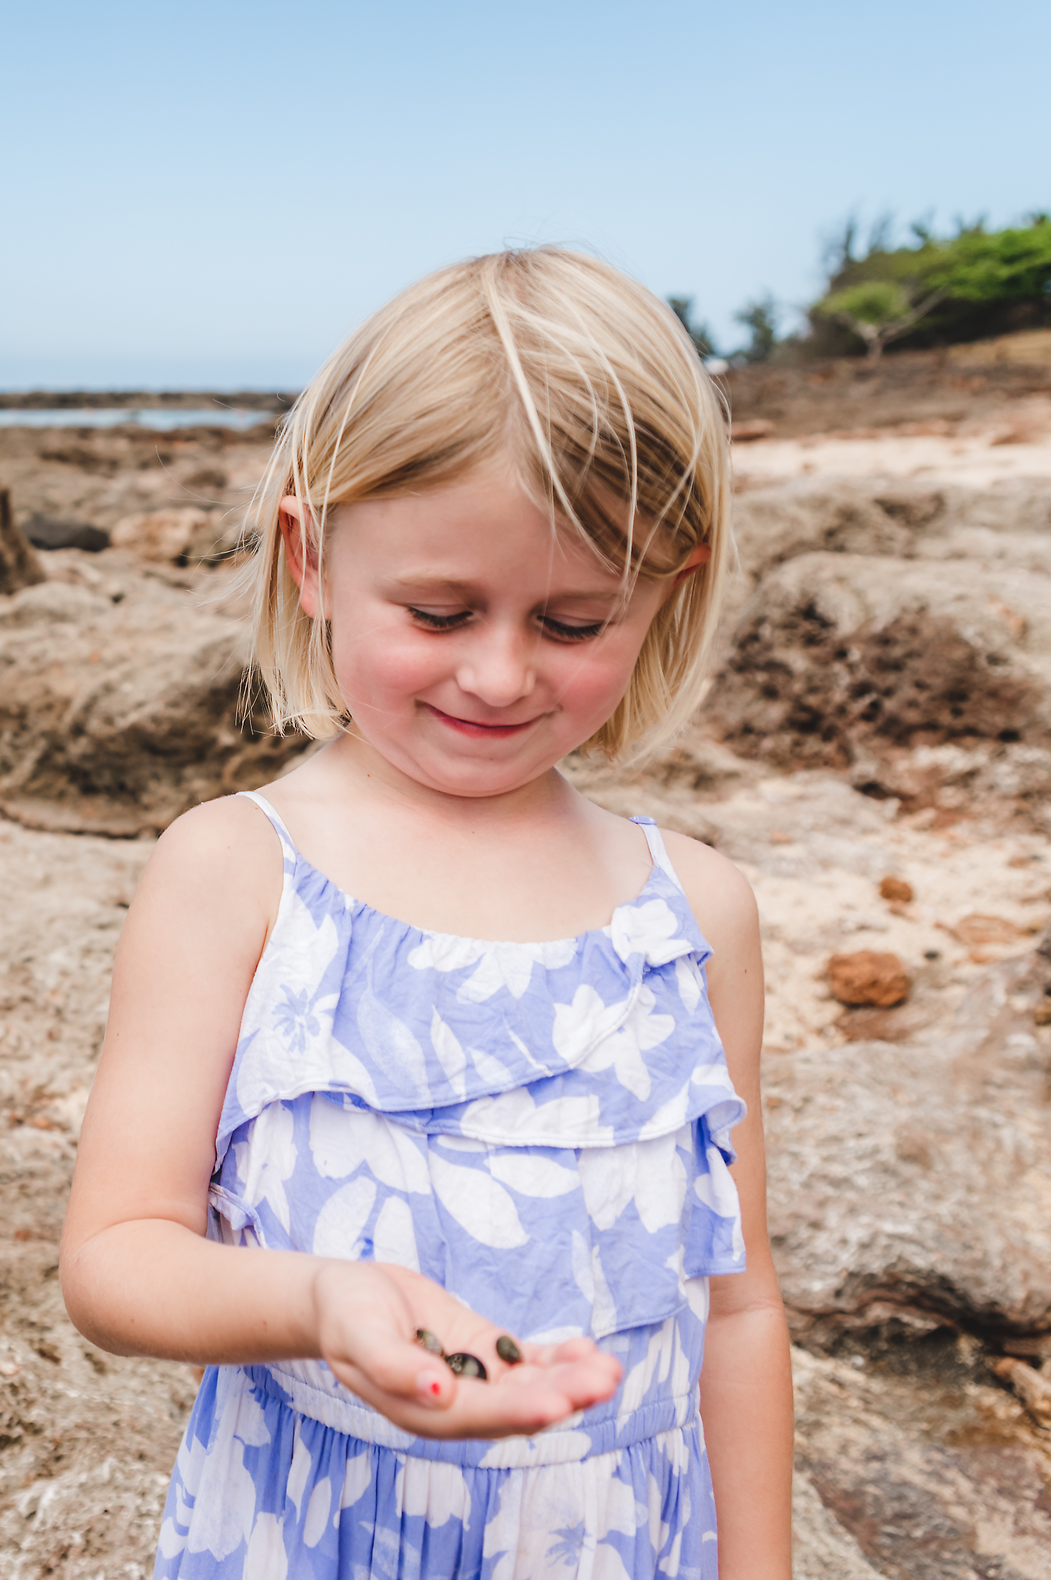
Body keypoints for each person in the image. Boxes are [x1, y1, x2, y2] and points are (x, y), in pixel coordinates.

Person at [60, 248, 791, 1580]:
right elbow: (116, 1254)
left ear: (668, 590)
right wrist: (318, 1302)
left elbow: (735, 1307)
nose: (501, 671)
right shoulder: (236, 871)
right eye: (440, 609)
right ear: (311, 557)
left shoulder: (696, 914)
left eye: (574, 619)